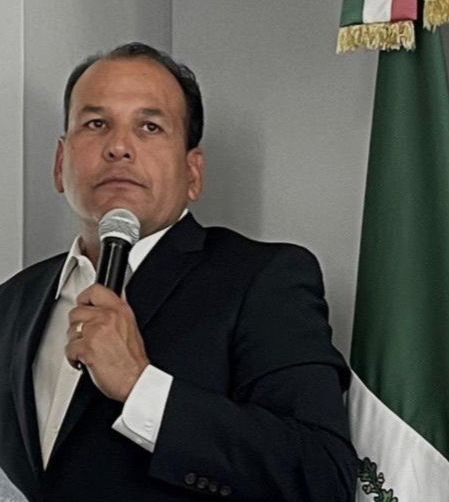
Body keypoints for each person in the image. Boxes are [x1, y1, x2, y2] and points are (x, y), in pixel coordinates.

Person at [0, 43, 359, 501]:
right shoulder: (12, 302)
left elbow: (323, 476)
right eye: (96, 124)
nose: (118, 147)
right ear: (59, 163)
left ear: (193, 173)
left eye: (149, 127)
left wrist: (139, 386)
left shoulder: (263, 278)